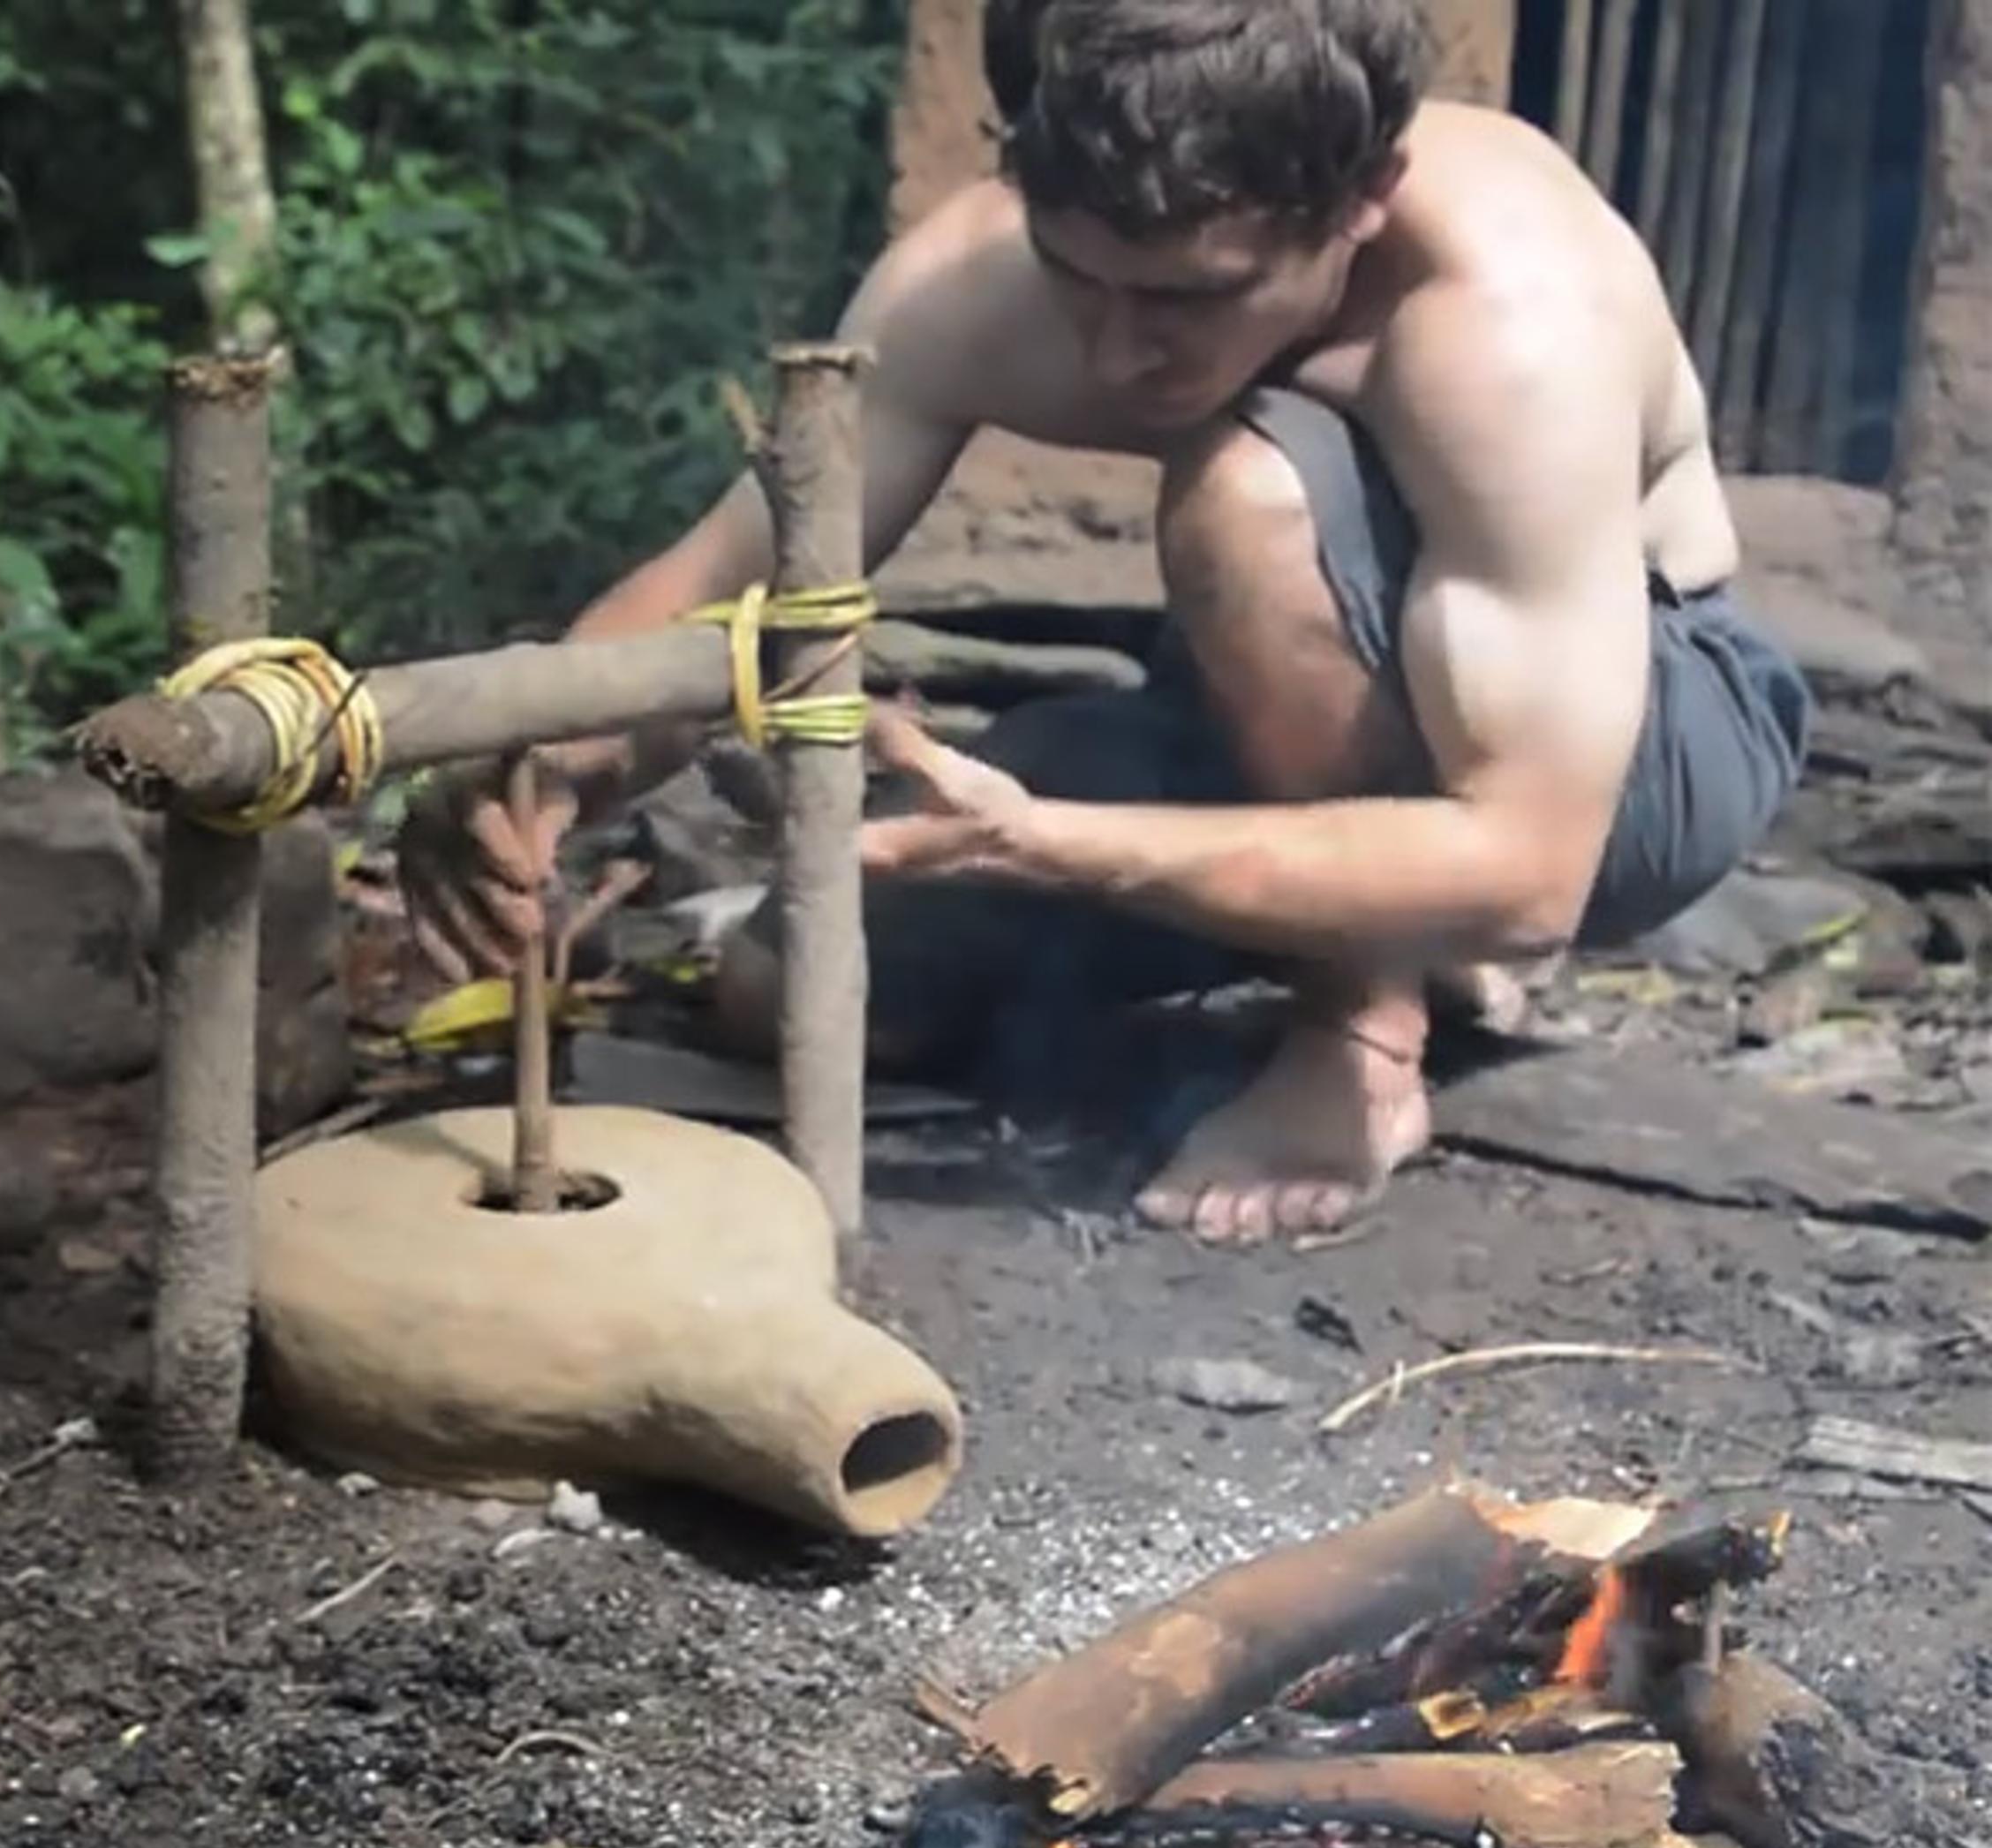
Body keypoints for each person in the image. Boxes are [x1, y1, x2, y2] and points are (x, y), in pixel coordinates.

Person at [395, 0, 1812, 1247]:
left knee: (1241, 495)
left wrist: (1041, 838)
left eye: (1193, 298)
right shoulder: (973, 277)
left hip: (1634, 744)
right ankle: (1344, 905)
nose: (1122, 350)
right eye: (1082, 277)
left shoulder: (1505, 324)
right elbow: (729, 590)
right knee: (794, 992)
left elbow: (1528, 872)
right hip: (1258, 709)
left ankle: (1361, 1034)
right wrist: (541, 770)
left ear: (1364, 197)